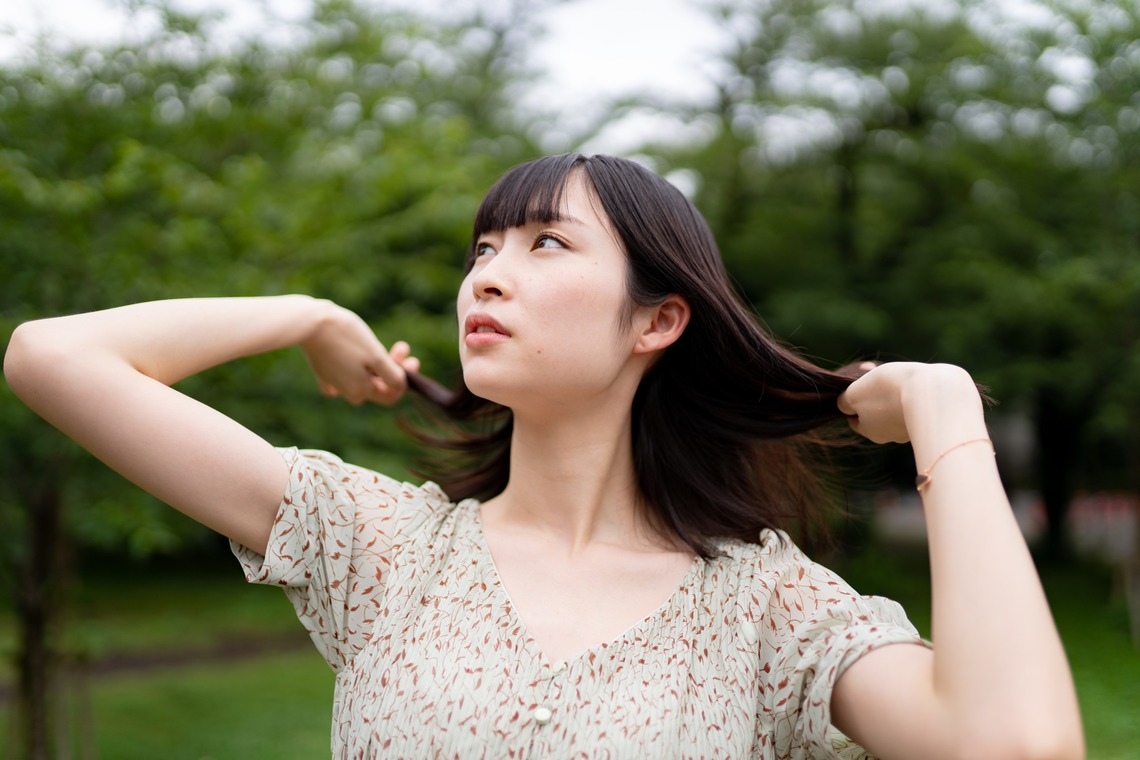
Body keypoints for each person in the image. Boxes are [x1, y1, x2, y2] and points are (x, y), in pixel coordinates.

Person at [4, 153, 1083, 759]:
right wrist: (303, 311)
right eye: (482, 249)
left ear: (656, 321)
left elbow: (1018, 746)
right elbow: (52, 357)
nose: (487, 275)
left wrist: (946, 413)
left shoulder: (771, 611)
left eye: (544, 244)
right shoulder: (377, 545)